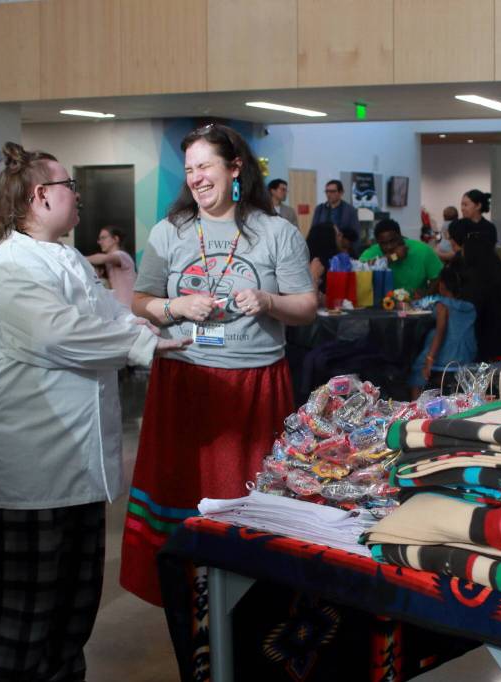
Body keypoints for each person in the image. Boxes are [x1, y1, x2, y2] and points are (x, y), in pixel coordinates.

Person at [0, 141, 187, 682]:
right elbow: (59, 334)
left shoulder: (67, 258)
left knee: (69, 621)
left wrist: (161, 328)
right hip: (23, 473)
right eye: (69, 187)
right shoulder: (13, 263)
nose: (78, 197)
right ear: (39, 196)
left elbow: (110, 315)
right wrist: (142, 346)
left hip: (73, 471)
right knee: (20, 631)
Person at [121, 122, 317, 606]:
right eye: (189, 169)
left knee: (248, 498)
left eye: (205, 165)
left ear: (235, 169)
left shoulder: (277, 232)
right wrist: (174, 309)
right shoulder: (169, 232)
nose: (196, 178)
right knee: (181, 492)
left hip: (254, 384)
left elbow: (307, 307)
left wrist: (269, 300)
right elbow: (140, 300)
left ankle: (252, 595)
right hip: (184, 381)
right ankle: (184, 590)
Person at [409, 264, 476, 397]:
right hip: (467, 354)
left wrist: (429, 359)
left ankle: (415, 406)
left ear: (441, 285)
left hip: (448, 354)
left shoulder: (441, 304)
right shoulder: (470, 307)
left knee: (417, 371)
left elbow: (441, 332)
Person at [359, 218, 443, 296]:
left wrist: (426, 294)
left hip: (417, 306)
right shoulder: (372, 252)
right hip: (382, 305)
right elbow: (359, 271)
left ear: (400, 236)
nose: (389, 246)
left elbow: (439, 277)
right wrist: (393, 257)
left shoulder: (422, 250)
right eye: (383, 243)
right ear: (378, 242)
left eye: (392, 241)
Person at [86, 225, 137, 308]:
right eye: (99, 239)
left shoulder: (122, 255)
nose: (99, 242)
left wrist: (80, 257)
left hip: (129, 308)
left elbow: (104, 259)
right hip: (122, 308)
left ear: (116, 239)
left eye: (103, 238)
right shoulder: (111, 261)